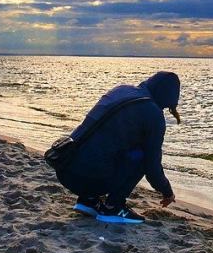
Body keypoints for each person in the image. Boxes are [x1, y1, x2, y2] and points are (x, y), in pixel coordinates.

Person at [55, 71, 180, 224]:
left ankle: (88, 200)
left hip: (65, 167)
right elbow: (152, 168)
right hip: (86, 178)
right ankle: (112, 207)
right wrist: (167, 192)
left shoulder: (122, 90)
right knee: (144, 156)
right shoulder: (153, 114)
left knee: (105, 144)